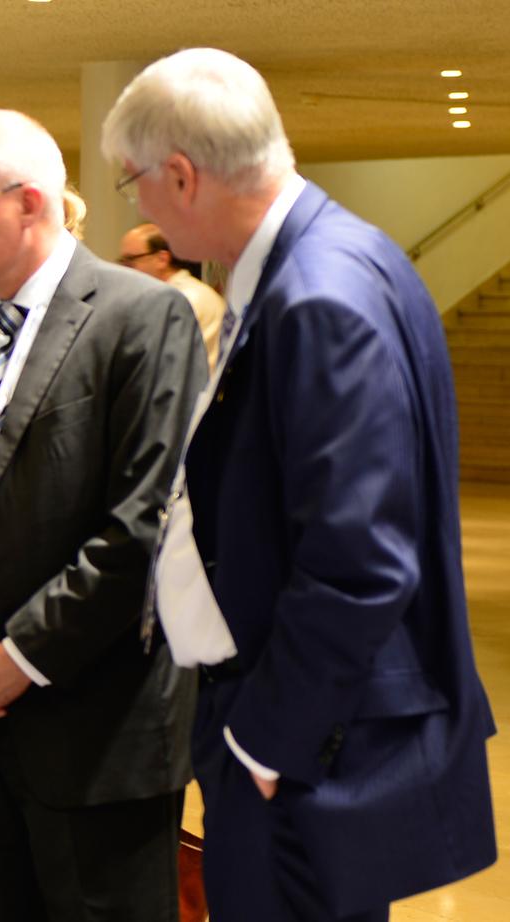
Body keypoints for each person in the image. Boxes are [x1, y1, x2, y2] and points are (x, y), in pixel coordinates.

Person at [105, 48, 497, 921]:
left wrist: (266, 740)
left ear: (182, 175)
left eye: (134, 183)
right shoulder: (329, 258)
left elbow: (361, 562)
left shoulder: (316, 294)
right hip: (299, 728)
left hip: (303, 743)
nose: (138, 208)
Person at [0, 109, 205, 921]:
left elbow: (141, 526)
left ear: (29, 202)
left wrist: (20, 657)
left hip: (93, 735)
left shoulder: (142, 317)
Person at [119, 222, 228, 370]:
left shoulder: (182, 299)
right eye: (122, 262)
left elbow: (158, 365)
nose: (124, 270)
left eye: (131, 261)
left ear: (162, 259)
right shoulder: (176, 295)